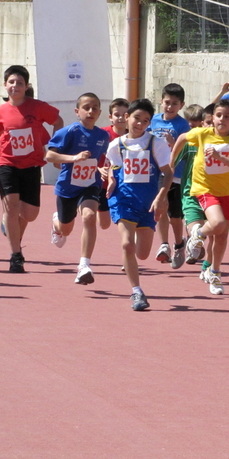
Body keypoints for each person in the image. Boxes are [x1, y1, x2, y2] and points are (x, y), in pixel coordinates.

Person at [0, 65, 63, 273]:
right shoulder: (1, 111)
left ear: (26, 87)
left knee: (30, 213)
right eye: (12, 82)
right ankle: (16, 255)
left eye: (20, 83)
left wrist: (56, 146)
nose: (15, 86)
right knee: (11, 207)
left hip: (32, 164)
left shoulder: (38, 107)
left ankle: (10, 225)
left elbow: (58, 120)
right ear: (5, 85)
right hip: (6, 161)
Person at [172, 99, 229, 295]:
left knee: (222, 236)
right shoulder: (202, 134)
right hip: (205, 188)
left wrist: (221, 158)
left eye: (227, 116)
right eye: (218, 116)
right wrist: (171, 161)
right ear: (212, 118)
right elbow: (183, 137)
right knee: (216, 224)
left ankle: (215, 272)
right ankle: (197, 235)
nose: (222, 120)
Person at [105, 98, 173, 311]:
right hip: (123, 199)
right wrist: (109, 180)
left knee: (142, 253)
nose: (140, 124)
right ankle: (137, 292)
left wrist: (162, 196)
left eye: (145, 121)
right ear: (126, 118)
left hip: (148, 202)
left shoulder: (156, 143)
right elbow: (113, 169)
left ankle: (133, 247)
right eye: (136, 119)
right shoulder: (116, 145)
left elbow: (168, 173)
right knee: (127, 244)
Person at [46, 93, 110, 285]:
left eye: (95, 108)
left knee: (90, 216)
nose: (91, 111)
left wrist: (102, 169)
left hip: (90, 185)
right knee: (66, 229)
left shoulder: (103, 136)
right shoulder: (69, 132)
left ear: (99, 112)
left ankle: (84, 265)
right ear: (77, 111)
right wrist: (73, 158)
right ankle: (57, 222)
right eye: (86, 107)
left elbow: (100, 159)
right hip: (68, 187)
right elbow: (49, 156)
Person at [149, 83, 190, 269]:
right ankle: (164, 244)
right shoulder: (154, 121)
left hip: (176, 175)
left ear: (181, 105)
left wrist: (174, 144)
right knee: (160, 209)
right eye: (167, 102)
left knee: (175, 215)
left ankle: (179, 243)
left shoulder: (183, 125)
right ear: (161, 101)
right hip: (156, 173)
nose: (169, 106)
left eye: (174, 103)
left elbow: (186, 152)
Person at [171, 104, 208, 268]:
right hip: (190, 190)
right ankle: (194, 243)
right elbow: (172, 164)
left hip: (212, 191)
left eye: (197, 125)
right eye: (190, 126)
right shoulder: (188, 142)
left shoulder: (218, 142)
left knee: (209, 229)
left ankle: (199, 249)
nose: (194, 130)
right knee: (195, 224)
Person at [98, 98, 130, 231]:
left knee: (127, 219)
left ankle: (129, 246)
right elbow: (90, 155)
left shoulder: (134, 137)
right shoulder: (101, 134)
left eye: (125, 114)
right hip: (103, 184)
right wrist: (99, 168)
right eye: (117, 115)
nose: (121, 118)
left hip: (124, 185)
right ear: (110, 117)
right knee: (104, 224)